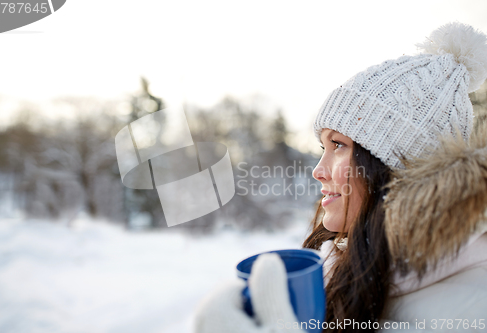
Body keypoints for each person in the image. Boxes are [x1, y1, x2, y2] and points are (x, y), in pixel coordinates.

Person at [194, 22, 487, 332]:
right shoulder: (344, 266)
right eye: (324, 146)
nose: (318, 171)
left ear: (400, 168)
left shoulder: (473, 307)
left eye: (339, 145)